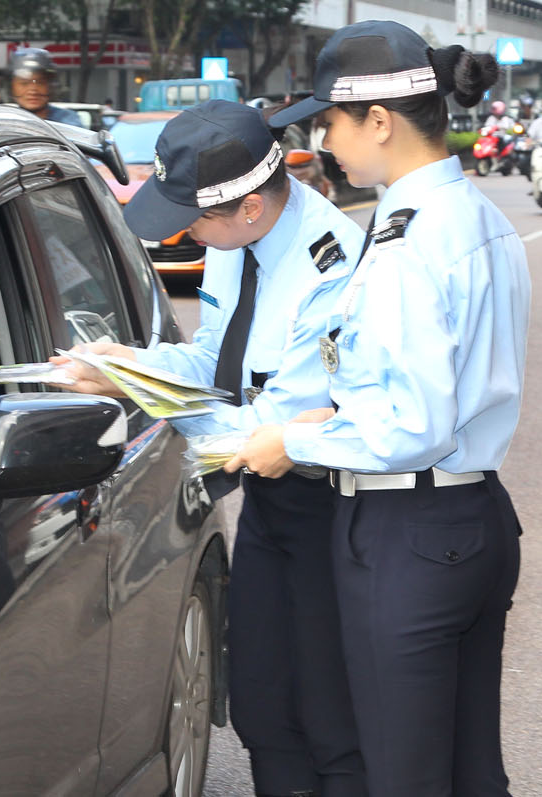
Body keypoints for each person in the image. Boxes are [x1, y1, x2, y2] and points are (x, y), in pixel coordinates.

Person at [231, 20, 529, 796]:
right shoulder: (481, 217)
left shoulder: (405, 244)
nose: (324, 144)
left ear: (378, 120)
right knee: (471, 772)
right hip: (476, 515)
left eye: (329, 122)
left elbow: (410, 426)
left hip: (408, 532)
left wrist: (296, 443)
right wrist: (323, 426)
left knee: (402, 775)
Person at [52, 101, 367, 797]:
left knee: (328, 716)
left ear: (249, 206)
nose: (183, 233)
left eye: (192, 219)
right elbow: (217, 362)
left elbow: (263, 433)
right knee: (259, 702)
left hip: (327, 507)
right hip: (269, 506)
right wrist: (134, 366)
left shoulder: (331, 269)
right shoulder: (235, 243)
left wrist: (144, 393)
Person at [8, 47, 84, 126]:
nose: (32, 90)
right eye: (24, 83)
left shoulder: (67, 121)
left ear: (51, 86)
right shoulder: (5, 121)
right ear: (12, 87)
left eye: (40, 83)